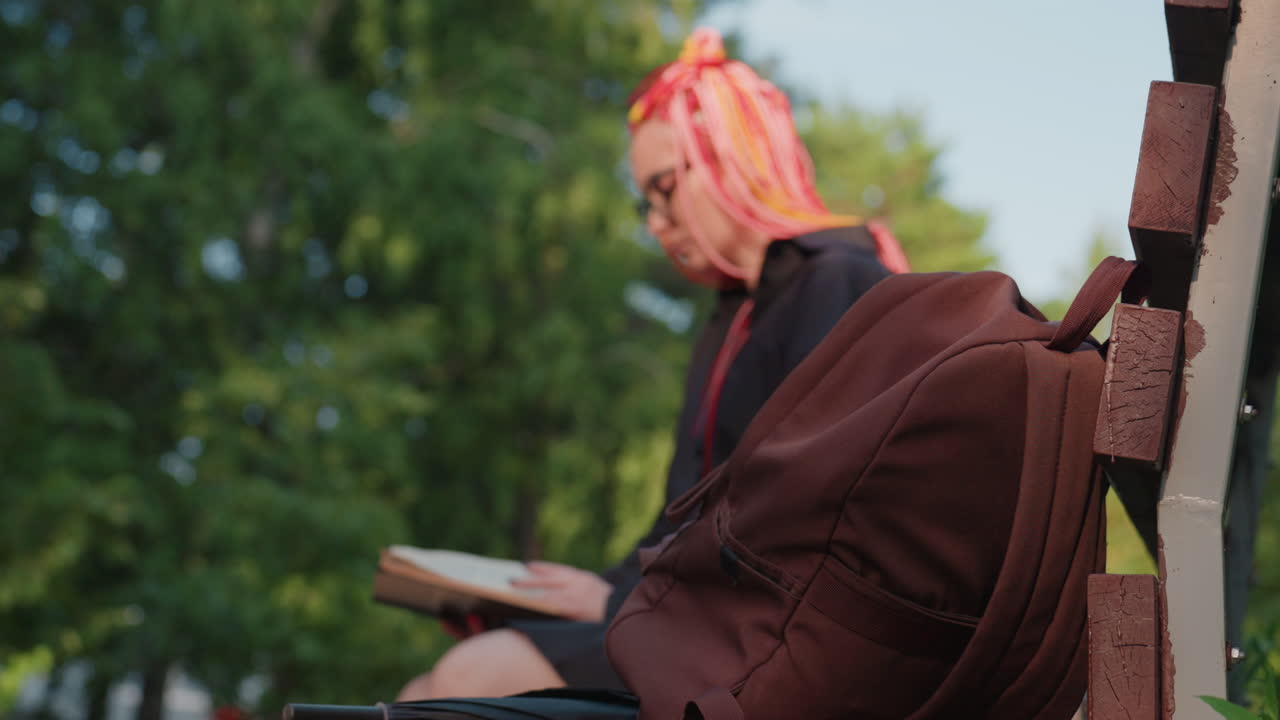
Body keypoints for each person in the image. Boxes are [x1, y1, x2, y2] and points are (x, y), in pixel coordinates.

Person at [396, 27, 908, 701]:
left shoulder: (839, 281)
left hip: (769, 637)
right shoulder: (734, 315)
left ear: (730, 159)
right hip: (697, 614)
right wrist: (595, 590)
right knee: (420, 692)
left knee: (468, 679)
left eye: (664, 189)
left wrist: (616, 604)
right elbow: (682, 518)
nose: (655, 222)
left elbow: (797, 514)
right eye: (646, 201)